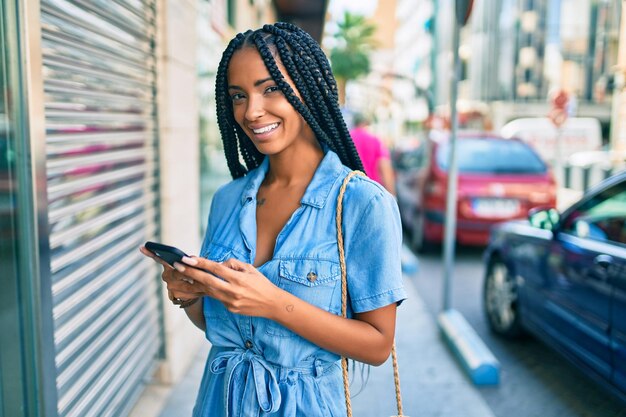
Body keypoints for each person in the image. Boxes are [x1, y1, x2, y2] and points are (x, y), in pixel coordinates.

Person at [140, 22, 406, 417]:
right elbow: (226, 331)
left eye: (270, 89)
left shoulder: (361, 203)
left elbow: (378, 345)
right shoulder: (228, 199)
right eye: (237, 96)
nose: (251, 111)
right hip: (218, 402)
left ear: (308, 88)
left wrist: (273, 303)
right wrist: (189, 295)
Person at [349, 113, 397, 196]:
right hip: (372, 192)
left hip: (350, 190)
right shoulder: (375, 140)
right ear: (366, 123)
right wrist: (392, 195)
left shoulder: (347, 139)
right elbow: (385, 168)